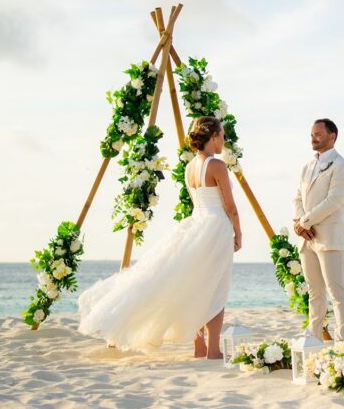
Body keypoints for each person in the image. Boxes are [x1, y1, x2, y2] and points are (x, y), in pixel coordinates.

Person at [78, 116, 242, 357]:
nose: (224, 141)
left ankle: (199, 346)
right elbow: (230, 206)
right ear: (214, 137)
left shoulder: (189, 168)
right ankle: (213, 349)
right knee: (216, 287)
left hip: (196, 225)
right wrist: (238, 232)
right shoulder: (216, 165)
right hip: (215, 227)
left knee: (195, 285)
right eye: (222, 136)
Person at [292, 118, 344, 341]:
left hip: (330, 238)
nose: (313, 137)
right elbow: (298, 197)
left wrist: (305, 222)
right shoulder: (307, 167)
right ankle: (314, 339)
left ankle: (341, 342)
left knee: (336, 291)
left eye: (318, 134)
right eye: (311, 134)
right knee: (314, 293)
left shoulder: (343, 167)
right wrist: (299, 223)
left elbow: (334, 201)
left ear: (333, 136)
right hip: (307, 239)